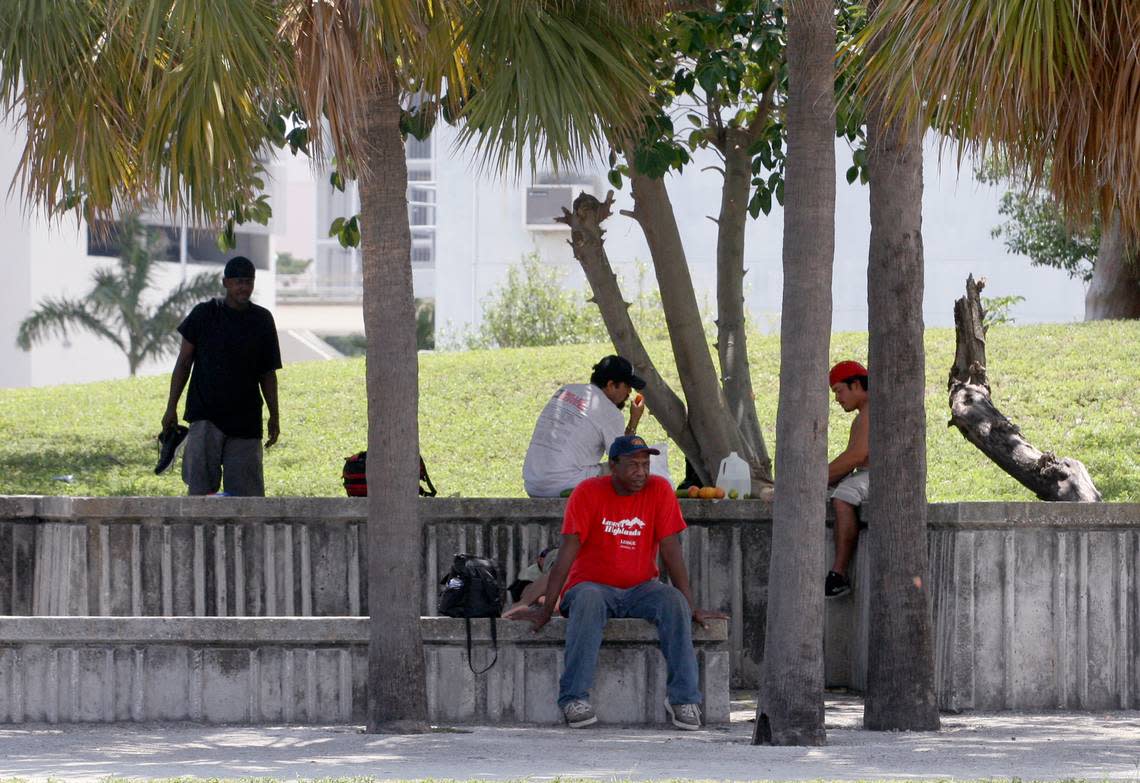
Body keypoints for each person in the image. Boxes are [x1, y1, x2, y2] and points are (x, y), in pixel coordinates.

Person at [508, 435, 728, 730]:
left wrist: (689, 606)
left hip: (641, 589)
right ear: (612, 466)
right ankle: (574, 698)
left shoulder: (659, 490)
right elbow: (566, 555)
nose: (641, 472)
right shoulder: (587, 493)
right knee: (587, 600)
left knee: (673, 601)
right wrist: (546, 608)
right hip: (591, 586)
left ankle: (683, 698)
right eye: (633, 465)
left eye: (646, 464)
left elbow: (672, 552)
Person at [160, 256, 282, 496]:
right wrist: (171, 407)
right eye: (238, 282)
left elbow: (268, 373)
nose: (243, 288)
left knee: (247, 499)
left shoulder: (262, 320)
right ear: (225, 282)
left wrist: (274, 415)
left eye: (248, 282)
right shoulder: (204, 314)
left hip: (246, 421)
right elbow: (184, 362)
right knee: (201, 495)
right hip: (205, 417)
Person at [522, 355, 647, 498]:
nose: (630, 392)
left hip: (532, 483)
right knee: (632, 468)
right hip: (563, 485)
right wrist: (634, 419)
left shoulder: (565, 391)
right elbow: (624, 457)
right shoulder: (610, 412)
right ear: (611, 385)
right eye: (627, 386)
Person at [825, 360, 869, 598]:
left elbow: (857, 455)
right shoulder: (866, 413)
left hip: (876, 477)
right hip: (866, 475)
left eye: (839, 391)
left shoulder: (872, 412)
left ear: (855, 385)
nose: (838, 399)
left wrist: (819, 478)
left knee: (843, 496)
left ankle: (838, 573)